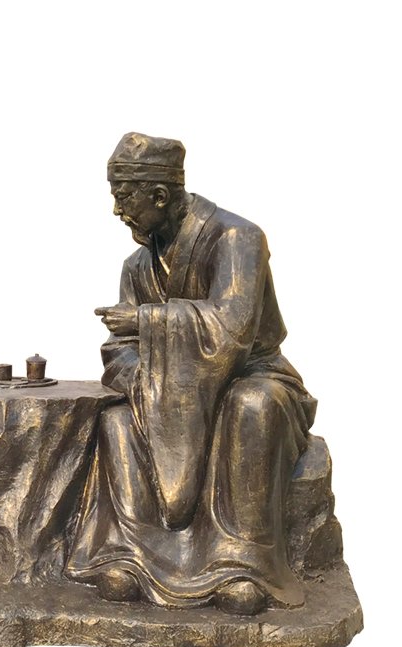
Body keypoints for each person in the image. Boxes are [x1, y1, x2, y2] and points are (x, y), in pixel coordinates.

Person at [65, 133, 316, 615]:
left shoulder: (237, 238)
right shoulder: (137, 266)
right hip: (165, 388)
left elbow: (233, 329)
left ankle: (241, 565)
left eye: (125, 198)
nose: (117, 211)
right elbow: (119, 350)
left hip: (250, 375)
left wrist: (146, 321)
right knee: (117, 422)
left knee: (251, 408)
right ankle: (132, 556)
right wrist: (144, 381)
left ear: (159, 195)